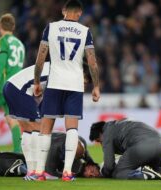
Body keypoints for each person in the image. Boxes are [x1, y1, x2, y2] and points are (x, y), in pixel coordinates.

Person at [33, 0, 100, 181]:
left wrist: (37, 81)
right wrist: (96, 85)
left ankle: (39, 173)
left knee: (46, 128)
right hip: (74, 84)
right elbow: (92, 61)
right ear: (79, 13)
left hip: (54, 83)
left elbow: (41, 56)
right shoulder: (85, 31)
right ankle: (67, 172)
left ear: (64, 11)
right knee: (72, 129)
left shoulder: (51, 28)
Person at [2, 62, 50, 179]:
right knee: (38, 128)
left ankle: (31, 171)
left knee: (28, 129)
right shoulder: (59, 72)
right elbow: (48, 97)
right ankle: (38, 171)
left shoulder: (52, 65)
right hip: (20, 89)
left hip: (10, 86)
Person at [89, 119, 161, 180]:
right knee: (151, 168)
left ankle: (149, 174)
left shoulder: (106, 133)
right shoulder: (120, 123)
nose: (101, 144)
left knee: (119, 173)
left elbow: (109, 166)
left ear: (101, 132)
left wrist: (103, 173)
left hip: (142, 147)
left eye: (99, 141)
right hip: (160, 145)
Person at [0, 133, 100, 179]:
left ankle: (6, 158)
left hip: (49, 142)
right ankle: (21, 168)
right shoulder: (54, 150)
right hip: (38, 147)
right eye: (93, 171)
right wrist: (65, 175)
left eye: (92, 175)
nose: (91, 173)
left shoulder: (80, 145)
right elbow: (49, 171)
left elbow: (88, 159)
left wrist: (100, 171)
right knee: (35, 168)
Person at [0, 13, 25, 153]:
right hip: (15, 87)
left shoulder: (3, 41)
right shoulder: (20, 44)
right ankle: (18, 153)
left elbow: (0, 64)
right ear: (13, 27)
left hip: (2, 86)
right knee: (11, 120)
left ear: (0, 26)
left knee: (11, 119)